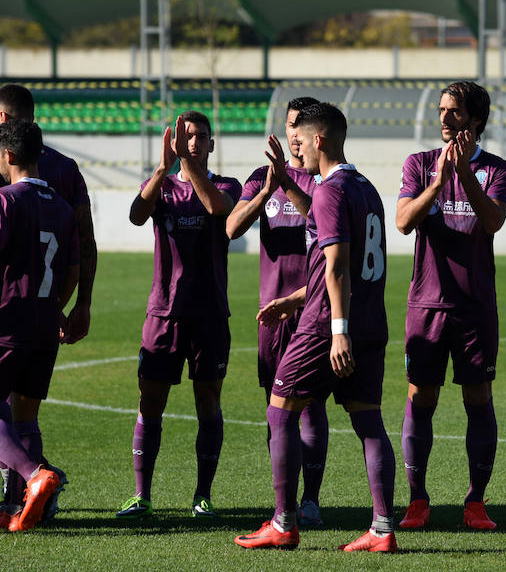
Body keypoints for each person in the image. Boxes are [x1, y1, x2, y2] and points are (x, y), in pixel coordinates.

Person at [234, 102, 396, 552]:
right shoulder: (366, 189)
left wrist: (337, 329)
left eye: (299, 140)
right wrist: (295, 297)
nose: (295, 149)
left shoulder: (329, 191)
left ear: (319, 140)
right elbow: (362, 268)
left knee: (280, 409)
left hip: (327, 326)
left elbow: (338, 266)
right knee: (368, 421)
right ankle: (382, 529)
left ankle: (284, 523)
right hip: (370, 324)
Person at [395, 81, 506, 531]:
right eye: (442, 111)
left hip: (475, 306)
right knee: (420, 397)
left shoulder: (499, 170)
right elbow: (404, 222)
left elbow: (493, 221)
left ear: (476, 121)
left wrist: (463, 174)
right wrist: (438, 183)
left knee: (477, 397)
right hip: (427, 304)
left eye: (455, 112)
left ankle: (475, 502)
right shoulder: (419, 164)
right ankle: (417, 499)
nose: (444, 119)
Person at [117, 111, 241, 519]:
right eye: (185, 137)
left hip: (208, 315)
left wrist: (187, 168)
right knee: (149, 401)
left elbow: (215, 208)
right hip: (163, 314)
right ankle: (142, 495)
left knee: (208, 401)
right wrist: (160, 169)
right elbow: (136, 215)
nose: (192, 143)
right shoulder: (162, 188)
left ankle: (202, 495)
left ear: (211, 144)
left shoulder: (227, 186)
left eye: (200, 137)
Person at [225, 97, 329, 527]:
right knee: (275, 404)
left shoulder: (326, 181)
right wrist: (269, 186)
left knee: (311, 405)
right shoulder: (259, 178)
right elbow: (232, 227)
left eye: (297, 127)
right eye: (287, 125)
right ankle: (282, 503)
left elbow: (321, 222)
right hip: (271, 312)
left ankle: (310, 500)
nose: (290, 134)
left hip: (312, 307)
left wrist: (287, 183)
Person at [0, 83, 98, 519]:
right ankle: (21, 504)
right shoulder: (60, 201)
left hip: (9, 317)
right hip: (46, 318)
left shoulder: (6, 200)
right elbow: (77, 261)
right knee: (26, 414)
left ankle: (34, 474)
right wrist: (67, 304)